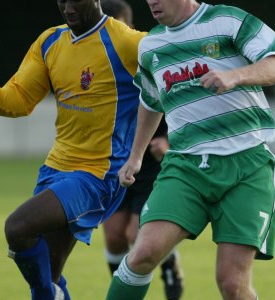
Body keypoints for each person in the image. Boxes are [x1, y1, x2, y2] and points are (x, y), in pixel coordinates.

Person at [0, 1, 145, 299]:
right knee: (50, 274)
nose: (66, 7)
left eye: (73, 0)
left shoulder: (130, 42)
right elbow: (20, 100)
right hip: (55, 169)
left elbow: (170, 84)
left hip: (98, 174)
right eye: (61, 0)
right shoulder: (50, 41)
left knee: (18, 228)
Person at [106, 1, 275, 299]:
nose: (152, 1)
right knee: (142, 253)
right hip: (185, 166)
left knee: (232, 283)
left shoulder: (227, 20)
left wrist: (235, 75)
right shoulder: (150, 45)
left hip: (247, 165)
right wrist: (136, 156)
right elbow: (151, 102)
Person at [100, 1, 184, 299]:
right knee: (113, 237)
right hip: (113, 160)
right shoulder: (98, 61)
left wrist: (170, 140)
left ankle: (169, 261)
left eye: (115, 23)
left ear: (128, 24)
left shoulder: (153, 51)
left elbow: (185, 101)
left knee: (135, 235)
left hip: (150, 161)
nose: (109, 30)